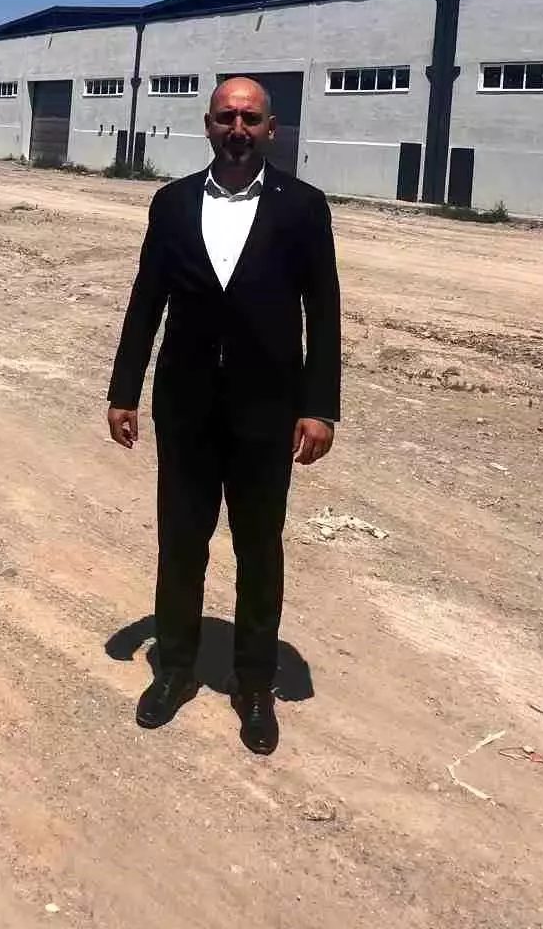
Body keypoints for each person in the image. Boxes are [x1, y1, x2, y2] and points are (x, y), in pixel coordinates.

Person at [106, 76, 341, 755]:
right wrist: (124, 390)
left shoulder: (303, 207)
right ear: (208, 125)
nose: (238, 130)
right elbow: (146, 299)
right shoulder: (172, 203)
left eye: (251, 119)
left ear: (271, 129)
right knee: (181, 542)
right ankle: (175, 669)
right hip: (186, 407)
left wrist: (319, 407)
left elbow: (323, 311)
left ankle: (254, 683)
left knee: (258, 548)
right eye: (226, 118)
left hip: (267, 412)